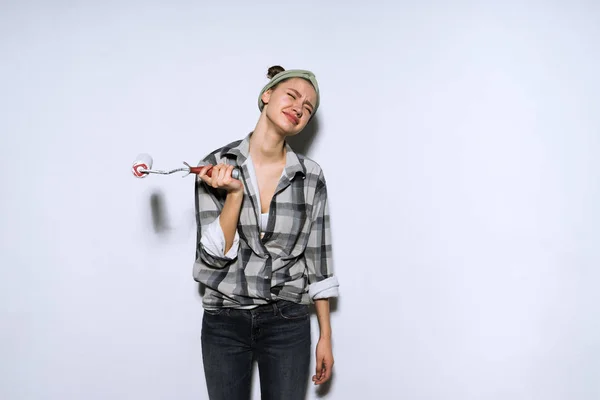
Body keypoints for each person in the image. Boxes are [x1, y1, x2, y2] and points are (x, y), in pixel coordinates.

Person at [192, 65, 340, 400]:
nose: (299, 108)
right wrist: (234, 194)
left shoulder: (310, 177)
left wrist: (325, 337)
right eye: (293, 96)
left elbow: (320, 261)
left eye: (308, 108)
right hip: (224, 318)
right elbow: (213, 255)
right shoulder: (217, 163)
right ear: (267, 95)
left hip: (287, 320)